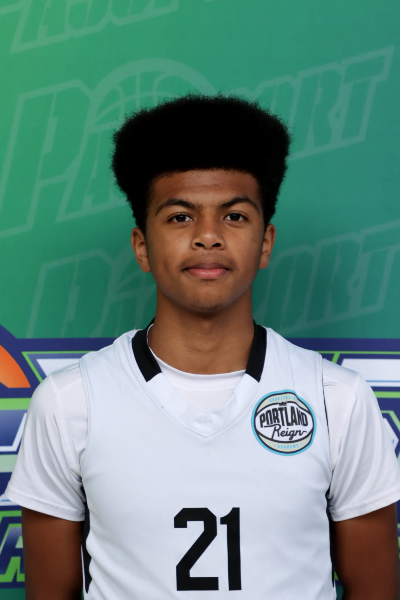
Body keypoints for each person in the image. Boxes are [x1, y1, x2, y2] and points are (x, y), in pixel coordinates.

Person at [6, 95, 400, 600]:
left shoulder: (336, 398)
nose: (208, 236)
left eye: (234, 216)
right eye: (179, 217)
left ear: (265, 243)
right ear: (142, 246)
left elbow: (375, 590)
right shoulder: (70, 402)